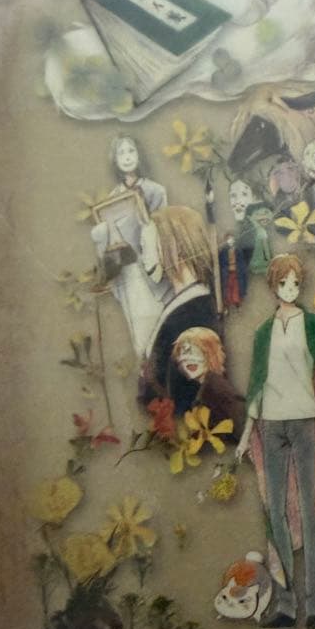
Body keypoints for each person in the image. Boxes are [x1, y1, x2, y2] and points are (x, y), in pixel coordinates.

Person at [235, 254, 315, 629]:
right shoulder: (263, 333)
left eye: (295, 283)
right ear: (273, 286)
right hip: (270, 425)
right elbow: (256, 383)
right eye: (283, 283)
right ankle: (286, 604)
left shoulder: (313, 325)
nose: (290, 289)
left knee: (309, 509)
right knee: (276, 515)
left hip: (303, 422)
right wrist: (245, 434)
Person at [90, 135, 172, 357]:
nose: (127, 157)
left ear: (139, 154)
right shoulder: (112, 199)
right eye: (121, 153)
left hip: (153, 270)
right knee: (141, 338)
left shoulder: (156, 191)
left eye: (131, 151)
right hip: (129, 273)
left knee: (161, 329)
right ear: (115, 160)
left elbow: (164, 231)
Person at [139, 206, 217, 412]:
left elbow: (187, 394)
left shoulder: (194, 312)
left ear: (175, 244)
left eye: (147, 245)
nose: (144, 256)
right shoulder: (183, 305)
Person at [171, 326, 245, 436]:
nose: (189, 360)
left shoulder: (218, 388)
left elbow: (241, 426)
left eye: (196, 352)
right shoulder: (208, 385)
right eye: (183, 354)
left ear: (211, 354)